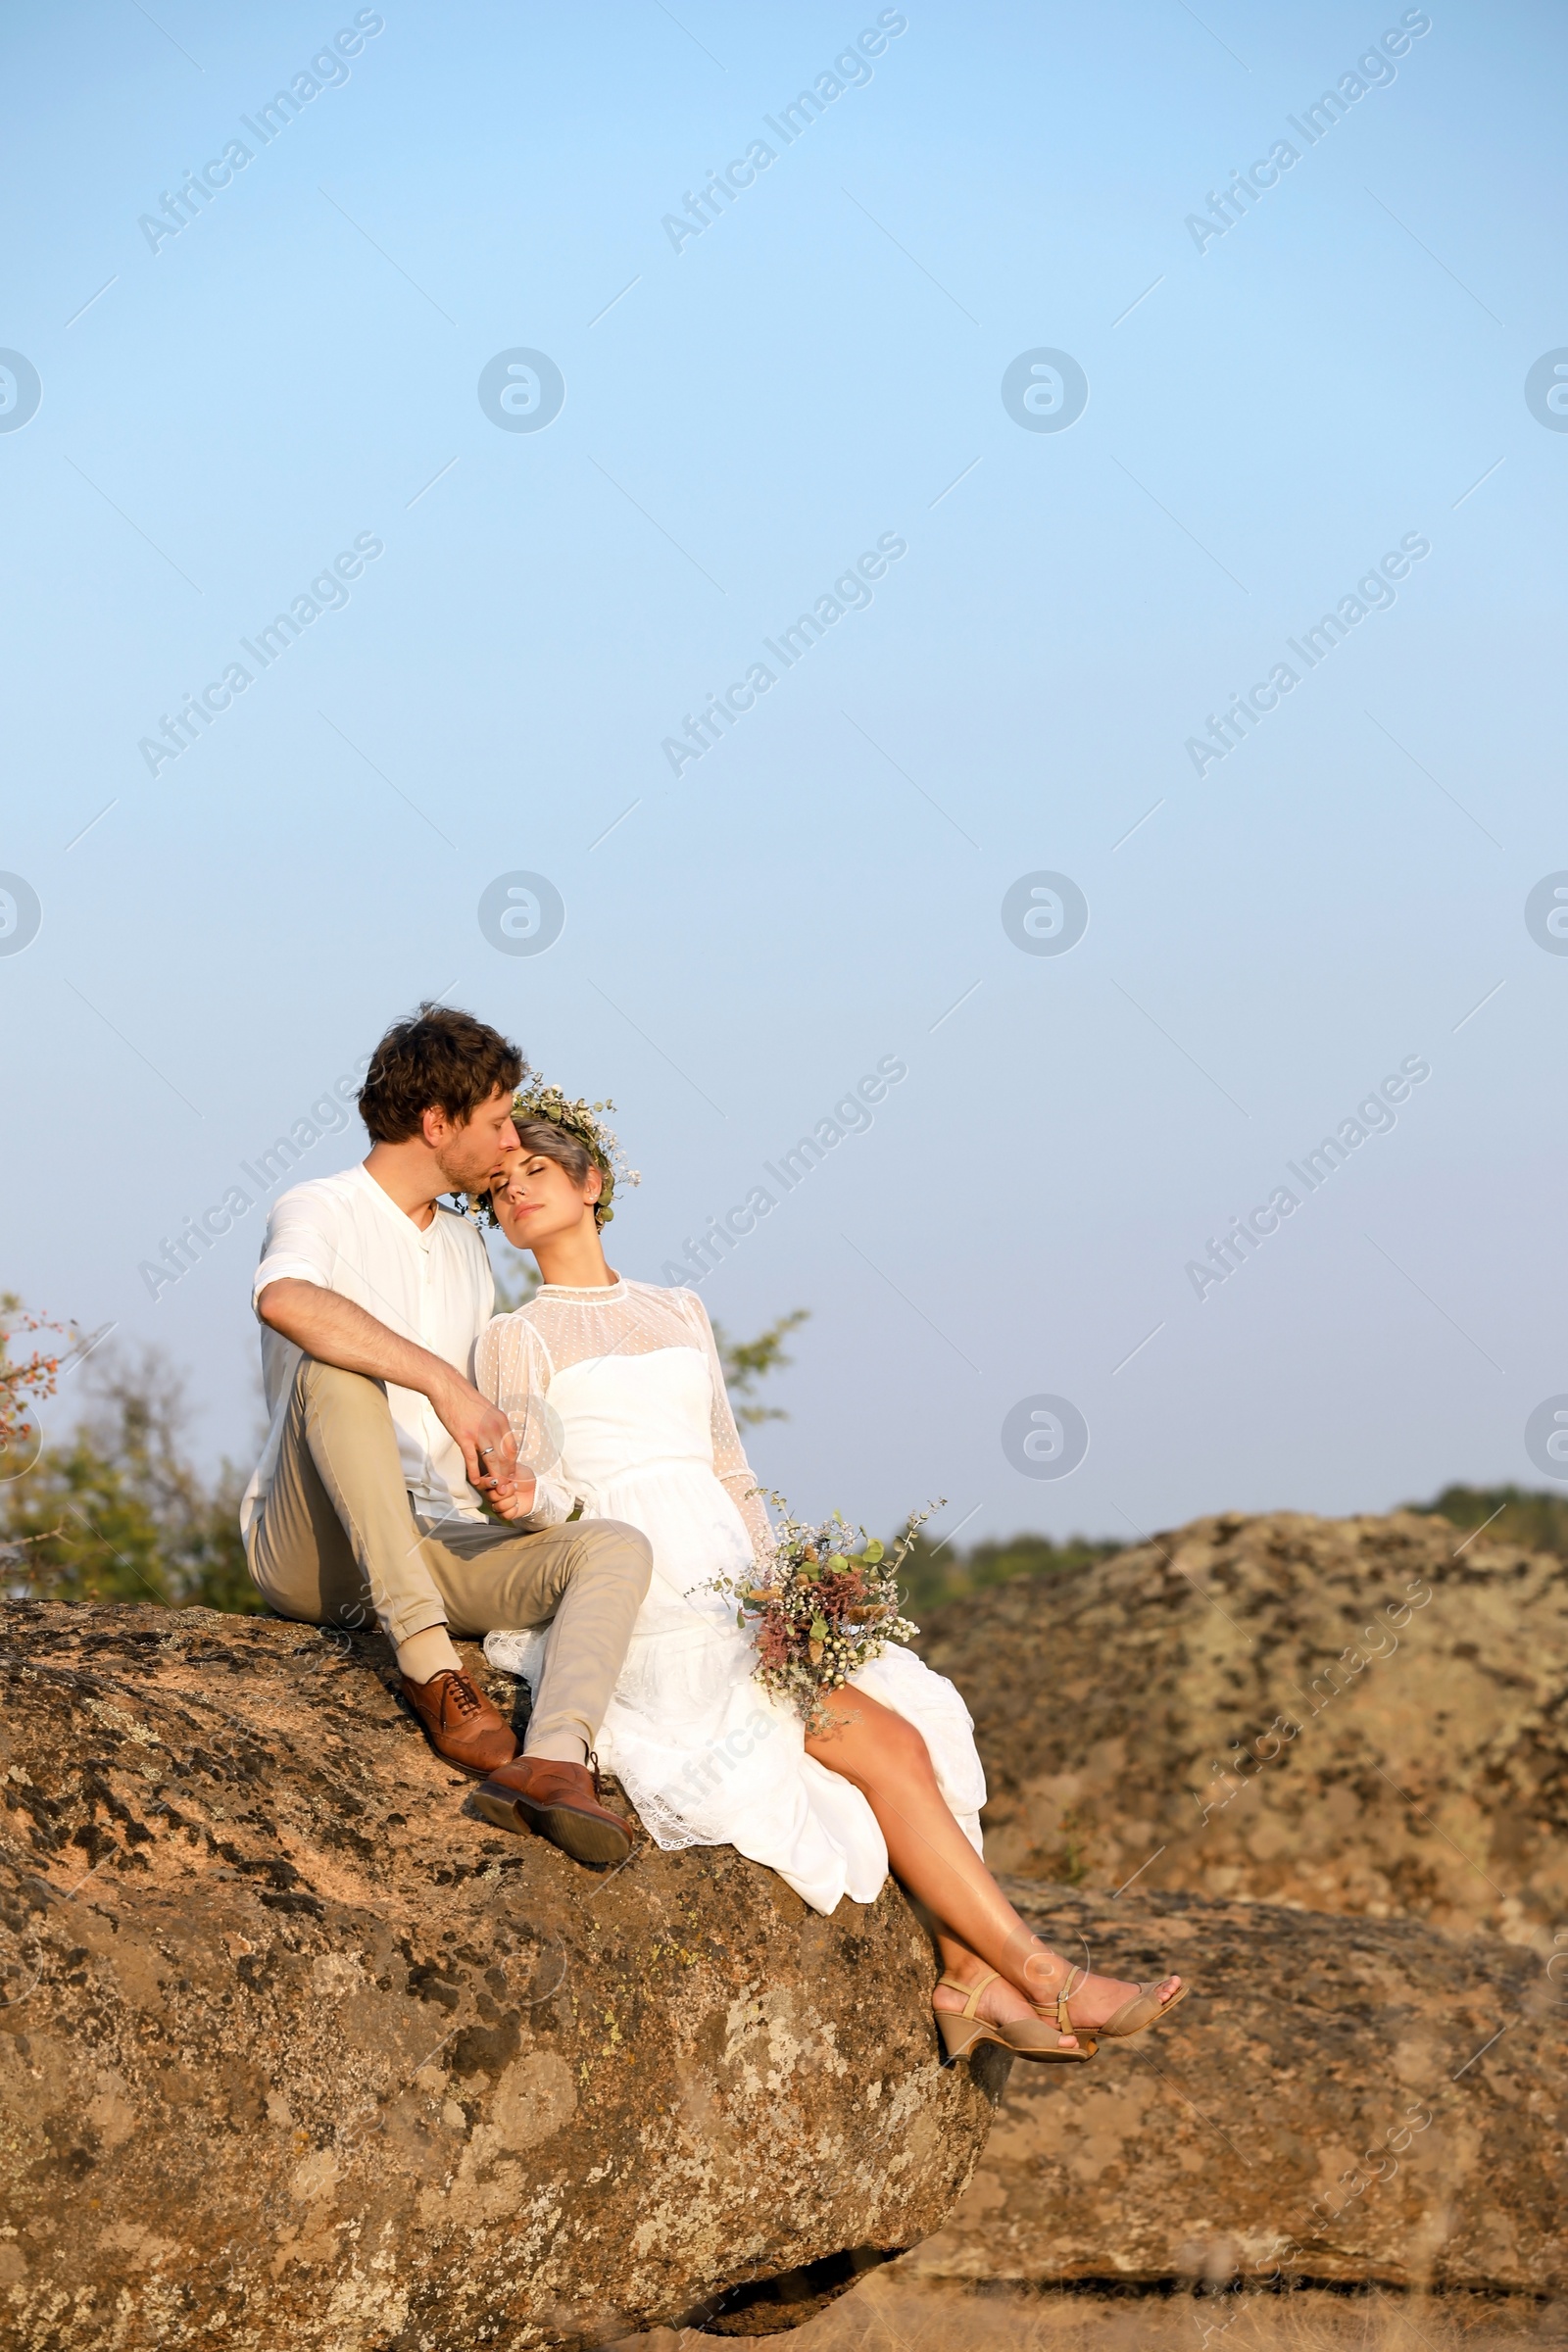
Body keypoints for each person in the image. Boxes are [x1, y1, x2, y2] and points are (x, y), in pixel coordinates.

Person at [468, 1081, 1190, 2064]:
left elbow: (729, 1464)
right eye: (498, 1186)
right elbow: (543, 1480)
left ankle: (973, 1976)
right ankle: (1042, 1980)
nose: (516, 1195)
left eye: (535, 1172)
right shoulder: (518, 1336)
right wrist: (525, 1501)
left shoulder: (678, 1310)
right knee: (878, 1742)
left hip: (731, 1578)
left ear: (591, 1181)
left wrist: (784, 1593)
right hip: (641, 1584)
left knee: (906, 1728)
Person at [240, 1004, 653, 1866]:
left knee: (614, 1547)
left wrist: (510, 1474)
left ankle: (553, 1765)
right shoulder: (320, 1205)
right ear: (438, 1124)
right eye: (499, 1123)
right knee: (336, 1365)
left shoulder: (467, 1244)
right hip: (316, 1547)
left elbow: (487, 1415)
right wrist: (441, 1381)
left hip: (434, 1538)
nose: (510, 1146)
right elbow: (284, 1301)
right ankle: (432, 1671)